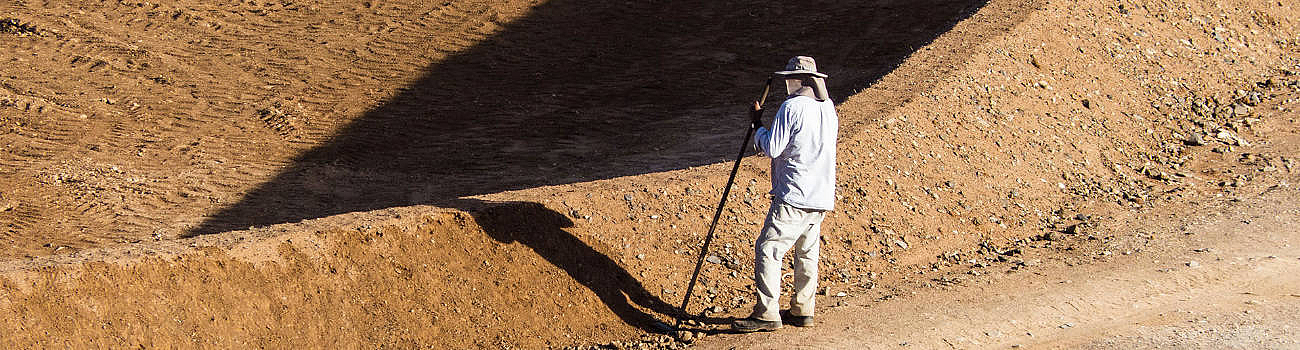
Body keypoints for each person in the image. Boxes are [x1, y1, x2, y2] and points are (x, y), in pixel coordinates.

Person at [733, 56, 838, 333]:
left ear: (797, 80)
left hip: (794, 194)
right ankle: (803, 309)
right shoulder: (828, 108)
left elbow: (772, 148)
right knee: (807, 252)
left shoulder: (791, 107)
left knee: (769, 249)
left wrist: (757, 125)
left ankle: (766, 313)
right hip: (821, 195)